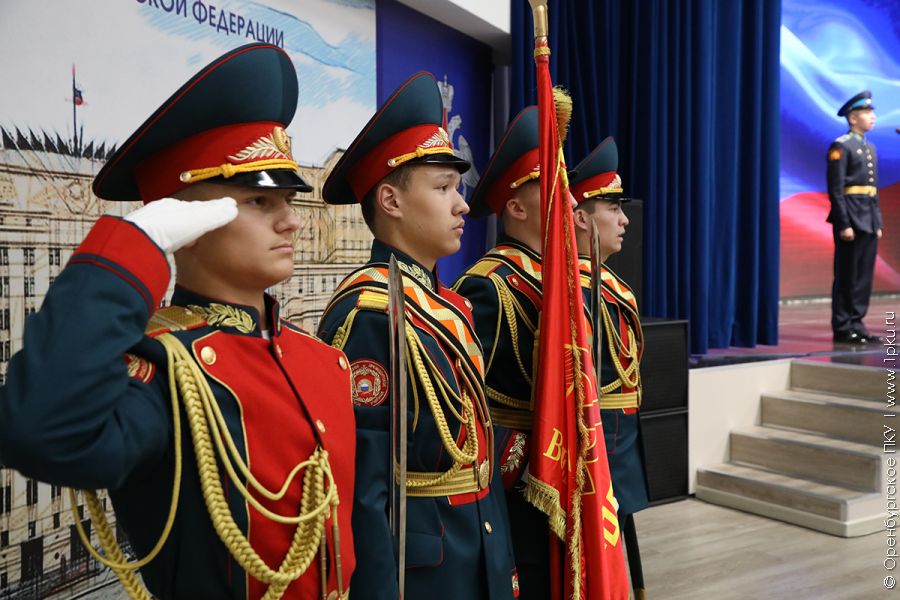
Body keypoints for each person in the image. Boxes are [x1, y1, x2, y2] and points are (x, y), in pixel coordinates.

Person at [0, 43, 355, 600]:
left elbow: (354, 549)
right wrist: (135, 243)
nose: (291, 221)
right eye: (259, 202)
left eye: (288, 200)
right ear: (186, 220)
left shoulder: (323, 362)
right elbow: (41, 431)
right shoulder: (167, 373)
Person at [316, 72, 517, 600]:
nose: (462, 205)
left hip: (475, 552)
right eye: (443, 188)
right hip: (424, 574)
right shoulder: (369, 315)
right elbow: (363, 490)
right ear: (391, 200)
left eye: (457, 188)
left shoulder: (443, 304)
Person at [451, 106, 577, 599]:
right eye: (555, 189)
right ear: (518, 209)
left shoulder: (562, 280)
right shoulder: (489, 285)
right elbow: (466, 398)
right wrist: (521, 459)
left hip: (568, 468)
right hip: (524, 482)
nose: (571, 202)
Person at [570, 137, 649, 597]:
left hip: (620, 446)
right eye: (612, 209)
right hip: (590, 453)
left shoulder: (613, 286)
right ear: (581, 217)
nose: (624, 220)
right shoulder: (567, 290)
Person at [827, 90, 883, 345]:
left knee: (863, 277)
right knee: (847, 275)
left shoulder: (869, 148)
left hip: (868, 219)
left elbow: (872, 190)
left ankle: (857, 324)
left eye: (872, 112)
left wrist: (877, 222)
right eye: (867, 113)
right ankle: (843, 326)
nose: (872, 117)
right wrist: (844, 223)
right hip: (851, 218)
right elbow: (836, 189)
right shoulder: (841, 146)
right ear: (852, 118)